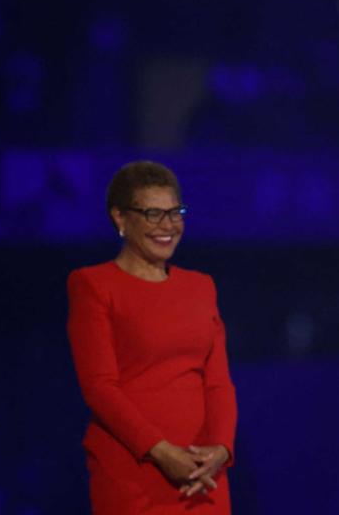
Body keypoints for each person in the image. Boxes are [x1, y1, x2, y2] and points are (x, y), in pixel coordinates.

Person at [67, 161, 237, 513]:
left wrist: (221, 449)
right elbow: (99, 387)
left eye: (175, 213)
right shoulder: (93, 285)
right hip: (134, 471)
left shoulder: (201, 286)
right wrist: (161, 451)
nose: (169, 226)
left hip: (203, 477)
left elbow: (218, 383)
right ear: (120, 218)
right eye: (153, 214)